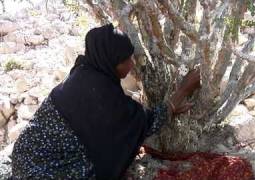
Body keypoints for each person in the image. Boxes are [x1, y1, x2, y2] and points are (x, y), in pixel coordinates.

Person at [10, 24, 200, 179]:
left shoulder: (83, 73)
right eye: (125, 60)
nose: (132, 64)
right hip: (41, 169)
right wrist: (183, 90)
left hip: (25, 154)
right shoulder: (101, 95)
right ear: (108, 61)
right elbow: (143, 123)